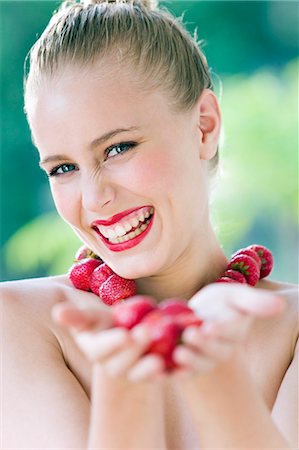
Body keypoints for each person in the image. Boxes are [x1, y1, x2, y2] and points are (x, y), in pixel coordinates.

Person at [1, 0, 298, 448]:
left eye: (118, 148)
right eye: (63, 168)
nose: (93, 198)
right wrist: (124, 386)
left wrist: (217, 377)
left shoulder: (291, 329)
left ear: (204, 125)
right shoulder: (17, 324)